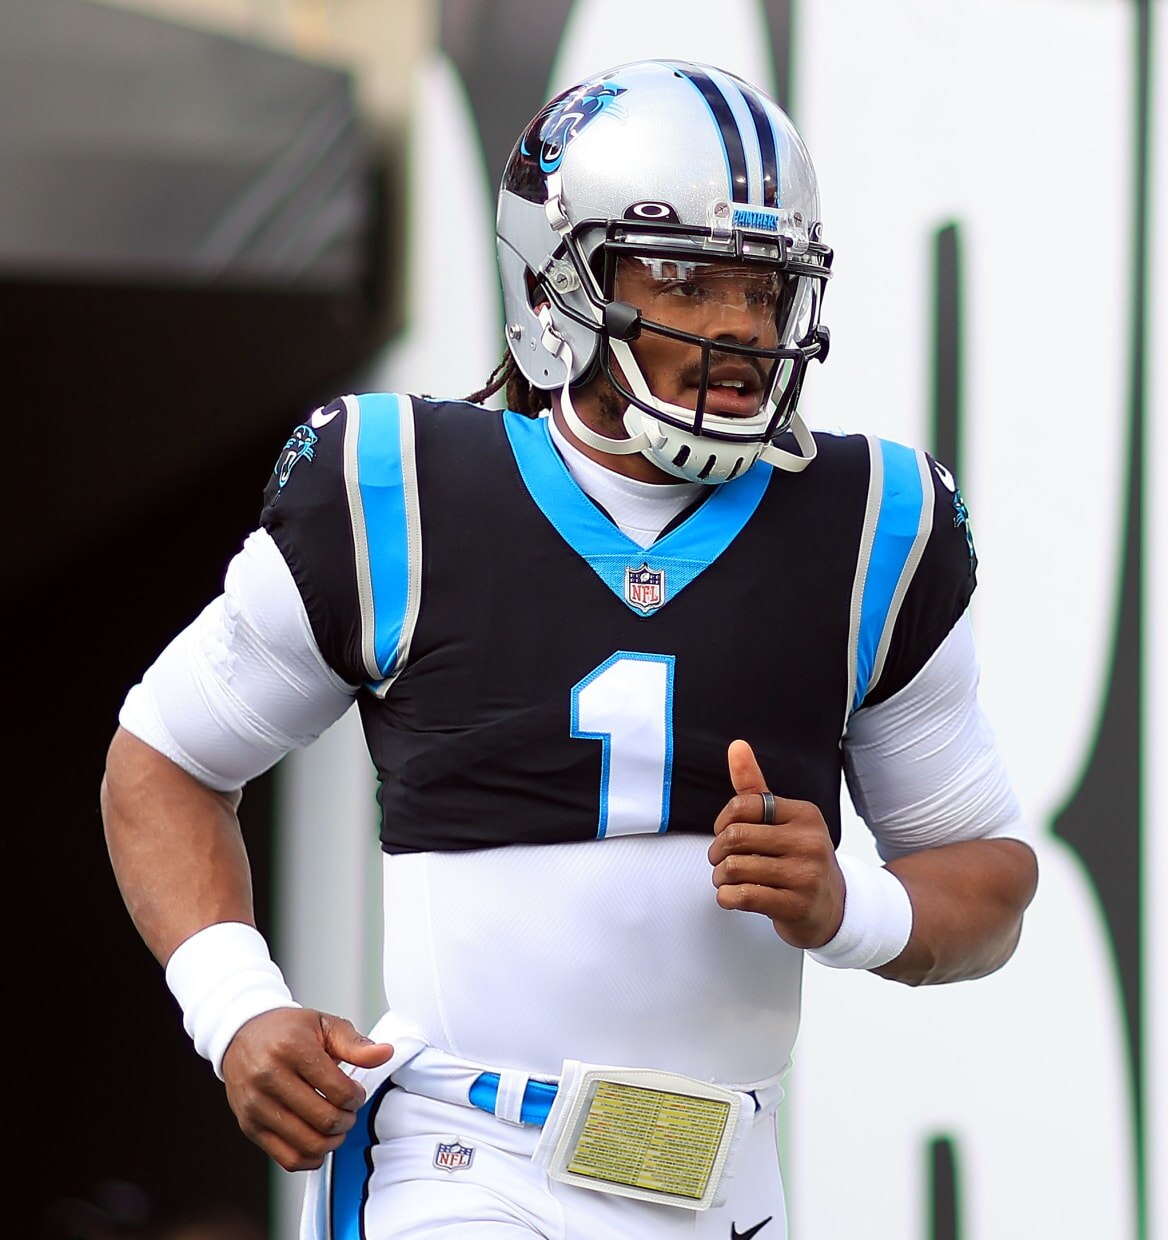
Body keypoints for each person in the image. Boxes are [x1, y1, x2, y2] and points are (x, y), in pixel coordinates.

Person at [100, 58, 1036, 1240]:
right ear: (560, 281)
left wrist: (853, 905)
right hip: (465, 1161)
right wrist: (234, 1006)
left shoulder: (871, 526)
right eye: (687, 278)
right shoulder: (400, 491)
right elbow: (165, 760)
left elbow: (989, 879)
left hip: (717, 1180)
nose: (740, 326)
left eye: (762, 286)